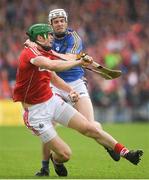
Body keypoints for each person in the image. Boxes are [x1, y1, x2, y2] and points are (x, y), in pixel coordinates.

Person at [13, 23, 143, 177]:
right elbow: (53, 65)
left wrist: (70, 90)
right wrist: (79, 62)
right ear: (40, 37)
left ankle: (126, 153)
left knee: (90, 127)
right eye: (49, 34)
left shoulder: (44, 49)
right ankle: (55, 161)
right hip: (36, 113)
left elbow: (53, 76)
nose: (52, 37)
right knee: (65, 154)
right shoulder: (30, 54)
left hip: (52, 101)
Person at [35, 9, 120, 177]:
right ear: (51, 24)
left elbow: (69, 58)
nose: (59, 23)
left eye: (62, 20)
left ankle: (108, 144)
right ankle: (45, 166)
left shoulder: (74, 38)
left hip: (75, 83)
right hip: (54, 83)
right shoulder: (46, 37)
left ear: (66, 22)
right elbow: (32, 43)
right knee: (49, 126)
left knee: (92, 125)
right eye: (56, 21)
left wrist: (49, 54)